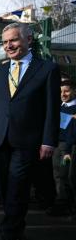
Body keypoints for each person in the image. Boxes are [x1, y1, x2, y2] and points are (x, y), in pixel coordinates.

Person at [0, 22, 60, 240]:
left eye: (13, 40)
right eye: (5, 42)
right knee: (6, 189)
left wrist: (48, 141)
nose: (9, 46)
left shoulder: (47, 69)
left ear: (28, 39)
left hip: (28, 141)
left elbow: (52, 110)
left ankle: (7, 235)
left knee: (16, 186)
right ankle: (18, 227)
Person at [49, 80, 76, 215]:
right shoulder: (59, 107)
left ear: (73, 91)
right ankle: (62, 202)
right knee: (58, 174)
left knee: (67, 175)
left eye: (66, 91)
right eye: (61, 91)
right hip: (58, 146)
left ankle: (68, 204)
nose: (63, 94)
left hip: (69, 147)